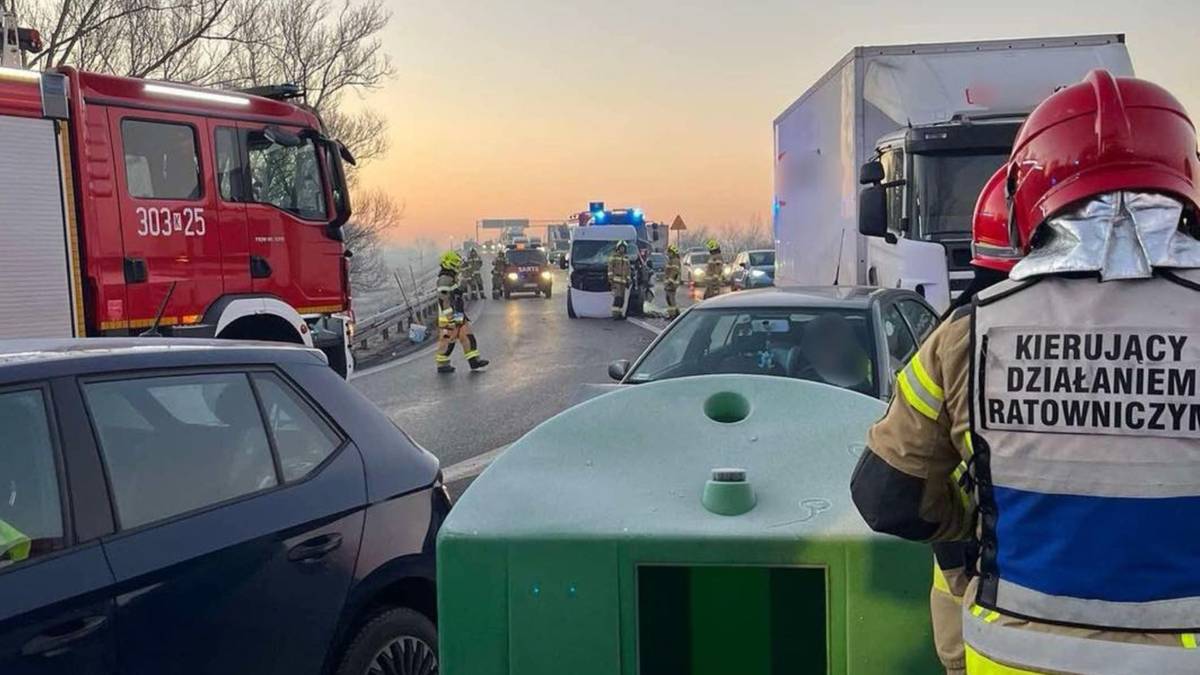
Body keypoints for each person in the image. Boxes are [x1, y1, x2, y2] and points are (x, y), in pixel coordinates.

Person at [850, 70, 1200, 674]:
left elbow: (887, 496)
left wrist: (983, 524)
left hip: (1010, 655)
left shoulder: (968, 333)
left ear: (1026, 195)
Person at [434, 250, 489, 374]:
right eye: (455, 264)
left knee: (467, 337)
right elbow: (444, 300)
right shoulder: (444, 279)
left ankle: (474, 361)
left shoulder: (451, 278)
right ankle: (442, 364)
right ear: (448, 263)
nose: (457, 266)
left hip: (458, 313)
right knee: (448, 341)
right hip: (449, 317)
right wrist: (450, 318)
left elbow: (455, 295)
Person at [607, 240, 631, 320]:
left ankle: (620, 314)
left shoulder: (626, 258)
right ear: (618, 248)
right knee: (617, 298)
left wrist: (628, 280)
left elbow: (628, 270)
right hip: (616, 281)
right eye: (621, 248)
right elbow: (610, 268)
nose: (622, 249)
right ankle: (615, 315)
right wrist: (611, 279)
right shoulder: (614, 256)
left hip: (623, 282)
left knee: (622, 299)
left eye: (623, 248)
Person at [663, 244, 683, 318]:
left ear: (672, 253)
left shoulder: (675, 261)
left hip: (672, 283)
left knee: (670, 299)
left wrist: (669, 282)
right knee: (669, 298)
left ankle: (673, 315)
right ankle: (675, 313)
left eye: (669, 252)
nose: (668, 254)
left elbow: (674, 272)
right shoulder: (671, 260)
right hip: (670, 283)